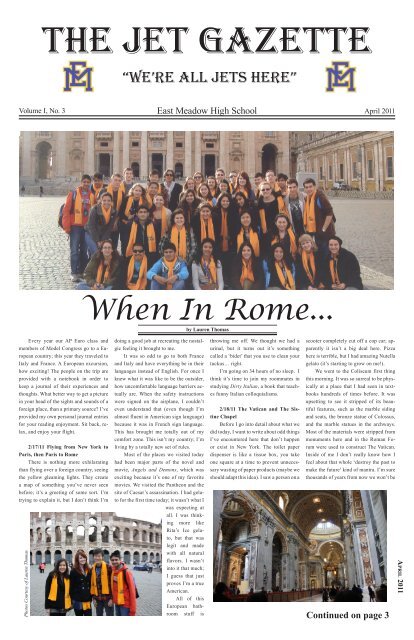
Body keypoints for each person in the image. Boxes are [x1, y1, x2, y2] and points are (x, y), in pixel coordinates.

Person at [62, 174, 95, 282]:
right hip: (75, 226)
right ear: (81, 182)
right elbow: (66, 211)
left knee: (84, 250)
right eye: (84, 182)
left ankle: (82, 271)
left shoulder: (92, 195)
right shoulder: (73, 194)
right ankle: (74, 272)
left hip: (86, 227)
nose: (86, 184)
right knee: (74, 250)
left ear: (90, 183)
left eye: (88, 182)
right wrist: (67, 227)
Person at [303, 177, 336, 253]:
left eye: (310, 187)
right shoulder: (307, 198)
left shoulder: (320, 197)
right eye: (306, 187)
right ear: (304, 189)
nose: (309, 189)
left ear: (314, 186)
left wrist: (324, 229)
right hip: (315, 231)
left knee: (325, 252)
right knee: (318, 251)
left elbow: (329, 213)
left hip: (324, 232)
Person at [118, 183, 150, 256]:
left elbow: (146, 213)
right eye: (136, 190)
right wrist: (127, 218)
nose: (138, 192)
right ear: (132, 191)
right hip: (125, 224)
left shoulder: (144, 201)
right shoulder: (126, 199)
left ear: (142, 192)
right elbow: (120, 213)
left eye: (139, 191)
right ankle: (125, 259)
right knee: (125, 243)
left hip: (138, 225)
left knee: (137, 243)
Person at [85, 191, 117, 255]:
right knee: (96, 252)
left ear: (111, 202)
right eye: (104, 200)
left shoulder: (114, 212)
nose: (106, 202)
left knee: (102, 253)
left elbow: (109, 228)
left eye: (109, 200)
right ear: (101, 201)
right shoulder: (95, 209)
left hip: (102, 235)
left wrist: (103, 240)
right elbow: (91, 226)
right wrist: (97, 240)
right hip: (90, 234)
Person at [110, 551, 137, 616]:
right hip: (117, 603)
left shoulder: (127, 572)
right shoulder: (113, 571)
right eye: (112, 560)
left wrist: (133, 610)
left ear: (120, 560)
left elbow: (132, 592)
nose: (114, 562)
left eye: (116, 560)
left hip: (125, 604)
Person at [90, 548, 114, 616]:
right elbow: (92, 585)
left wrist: (112, 598)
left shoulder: (108, 567)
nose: (97, 558)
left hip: (108, 598)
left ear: (102, 557)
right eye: (96, 556)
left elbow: (113, 584)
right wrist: (93, 598)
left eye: (99, 556)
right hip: (97, 598)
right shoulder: (92, 569)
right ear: (93, 557)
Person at [69, 550, 92, 616]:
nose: (83, 559)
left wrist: (91, 597)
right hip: (78, 600)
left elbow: (90, 584)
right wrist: (72, 600)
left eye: (84, 557)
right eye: (80, 558)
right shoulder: (73, 571)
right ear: (77, 559)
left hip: (87, 599)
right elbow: (71, 586)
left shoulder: (89, 570)